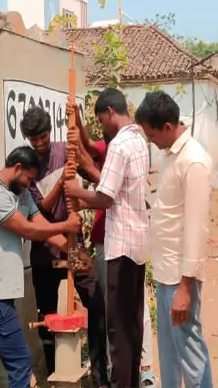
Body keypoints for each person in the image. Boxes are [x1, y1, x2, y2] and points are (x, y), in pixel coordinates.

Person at [0, 146, 82, 388]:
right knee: (20, 363)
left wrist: (70, 249)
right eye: (28, 178)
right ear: (17, 168)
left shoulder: (21, 193)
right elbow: (28, 230)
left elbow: (41, 226)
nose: (30, 184)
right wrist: (66, 225)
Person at [64, 87, 150, 388]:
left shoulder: (119, 145)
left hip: (121, 247)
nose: (102, 126)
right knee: (131, 325)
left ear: (111, 112)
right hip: (137, 244)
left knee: (118, 330)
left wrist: (76, 192)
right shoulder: (139, 140)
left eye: (101, 120)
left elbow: (106, 197)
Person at [19, 106, 109, 388]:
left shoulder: (65, 151)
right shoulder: (26, 165)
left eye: (43, 136)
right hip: (45, 251)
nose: (39, 143)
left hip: (73, 249)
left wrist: (79, 154)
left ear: (50, 131)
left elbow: (96, 174)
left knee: (96, 302)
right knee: (47, 317)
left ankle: (99, 375)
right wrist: (61, 180)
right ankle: (54, 376)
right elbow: (41, 211)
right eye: (34, 139)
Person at [134, 91, 213, 388]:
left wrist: (185, 288)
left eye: (152, 135)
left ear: (167, 127)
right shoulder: (170, 156)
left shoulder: (193, 161)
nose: (150, 141)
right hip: (165, 272)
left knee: (190, 352)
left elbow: (196, 229)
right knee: (169, 353)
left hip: (181, 277)